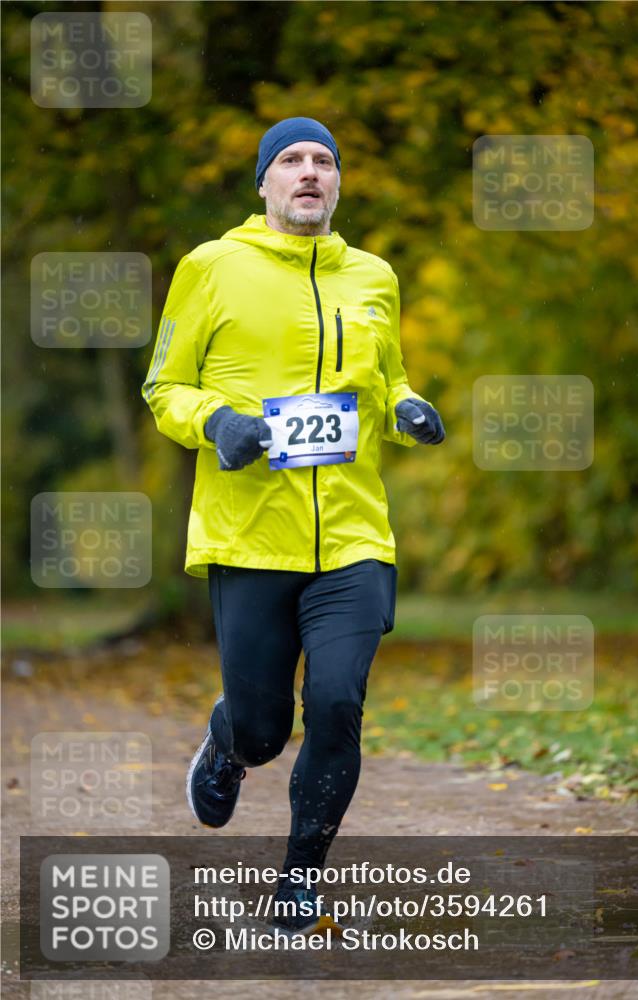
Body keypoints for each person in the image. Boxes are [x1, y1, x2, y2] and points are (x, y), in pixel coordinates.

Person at [142, 117, 445, 934]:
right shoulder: (210, 267)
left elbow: (381, 386)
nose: (308, 172)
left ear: (337, 183)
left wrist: (407, 410)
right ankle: (228, 739)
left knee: (339, 703)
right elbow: (162, 387)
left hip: (352, 537)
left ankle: (300, 878)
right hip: (250, 540)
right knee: (265, 730)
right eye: (290, 161)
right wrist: (215, 422)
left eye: (323, 161)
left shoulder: (373, 275)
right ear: (264, 183)